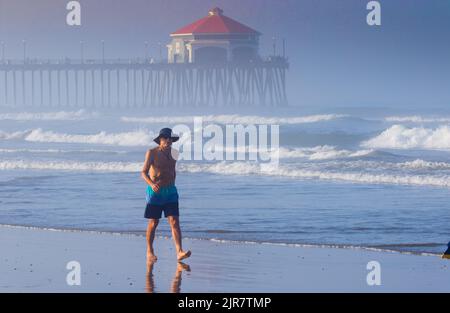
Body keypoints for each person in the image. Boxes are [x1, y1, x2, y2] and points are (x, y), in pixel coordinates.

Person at [141, 128, 191, 262]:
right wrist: (152, 184)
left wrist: (172, 183)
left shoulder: (175, 153)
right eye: (166, 138)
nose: (168, 140)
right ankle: (149, 251)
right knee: (154, 222)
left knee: (174, 221)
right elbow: (143, 172)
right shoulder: (152, 153)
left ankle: (179, 251)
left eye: (170, 139)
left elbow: (172, 171)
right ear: (160, 140)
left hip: (171, 192)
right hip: (155, 192)